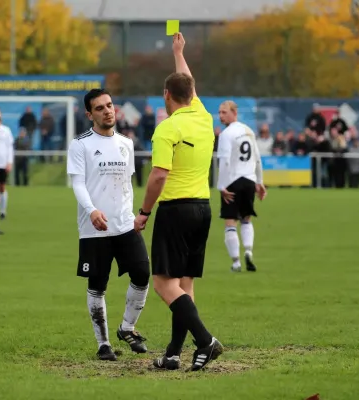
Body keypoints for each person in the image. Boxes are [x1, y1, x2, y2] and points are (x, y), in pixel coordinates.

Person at [134, 32, 222, 372]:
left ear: (166, 95)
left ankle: (205, 341)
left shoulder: (166, 129)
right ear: (191, 94)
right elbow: (189, 82)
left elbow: (158, 176)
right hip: (203, 208)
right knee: (185, 284)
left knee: (163, 283)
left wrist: (143, 213)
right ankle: (173, 353)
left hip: (175, 210)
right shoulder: (203, 116)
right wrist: (178, 52)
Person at [66, 88, 150, 362]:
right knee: (97, 285)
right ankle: (103, 344)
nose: (108, 110)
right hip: (94, 229)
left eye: (110, 105)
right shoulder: (80, 144)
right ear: (90, 114)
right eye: (100, 108)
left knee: (142, 273)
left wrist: (137, 216)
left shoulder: (126, 143)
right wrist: (91, 210)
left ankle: (127, 327)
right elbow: (78, 183)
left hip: (125, 225)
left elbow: (126, 186)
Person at [216, 100, 266, 273]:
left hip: (232, 181)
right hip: (250, 180)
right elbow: (257, 159)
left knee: (230, 222)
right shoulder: (248, 131)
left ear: (234, 113)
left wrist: (221, 185)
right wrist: (259, 182)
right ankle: (249, 252)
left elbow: (224, 161)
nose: (221, 116)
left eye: (224, 112)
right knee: (246, 218)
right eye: (220, 113)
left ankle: (236, 262)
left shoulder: (226, 134)